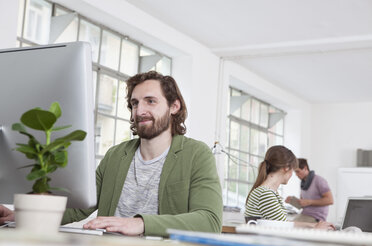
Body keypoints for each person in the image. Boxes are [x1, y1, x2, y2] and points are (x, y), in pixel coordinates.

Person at [0, 71, 223, 237]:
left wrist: (140, 223)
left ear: (174, 107)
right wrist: (23, 214)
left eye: (151, 101)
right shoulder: (116, 155)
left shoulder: (196, 154)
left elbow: (210, 220)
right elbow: (79, 206)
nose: (140, 111)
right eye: (134, 103)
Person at [245, 146, 334, 229]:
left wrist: (312, 225)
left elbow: (283, 223)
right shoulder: (265, 194)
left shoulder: (267, 192)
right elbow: (284, 229)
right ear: (286, 168)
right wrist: (316, 230)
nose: (293, 175)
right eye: (293, 171)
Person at [285, 158, 333, 223]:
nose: (296, 175)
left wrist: (309, 202)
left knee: (290, 226)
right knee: (287, 223)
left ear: (305, 168)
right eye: (295, 172)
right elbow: (303, 205)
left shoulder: (319, 180)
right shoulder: (303, 183)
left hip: (316, 217)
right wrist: (292, 201)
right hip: (305, 214)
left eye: (298, 171)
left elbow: (330, 200)